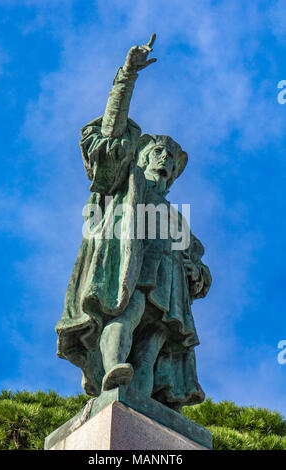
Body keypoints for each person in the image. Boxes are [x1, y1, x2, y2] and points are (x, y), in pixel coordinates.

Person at [55, 34, 211, 412]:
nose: (166, 162)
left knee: (154, 343)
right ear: (139, 156)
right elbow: (110, 136)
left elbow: (201, 272)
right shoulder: (127, 182)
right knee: (128, 312)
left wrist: (197, 274)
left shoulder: (177, 219)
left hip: (169, 282)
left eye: (172, 161)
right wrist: (127, 77)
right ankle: (113, 372)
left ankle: (139, 406)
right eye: (159, 153)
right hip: (130, 267)